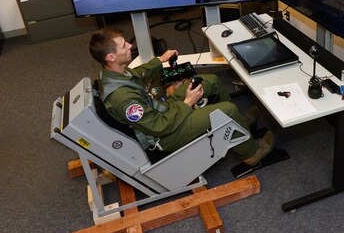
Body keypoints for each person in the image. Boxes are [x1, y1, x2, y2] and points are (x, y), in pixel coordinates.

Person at [88, 27, 274, 166]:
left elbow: (139, 74)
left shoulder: (115, 72)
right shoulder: (122, 98)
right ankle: (251, 153)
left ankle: (238, 124)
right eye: (123, 46)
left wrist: (160, 60)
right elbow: (160, 127)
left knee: (211, 81)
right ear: (111, 57)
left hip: (161, 111)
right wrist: (187, 102)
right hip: (164, 135)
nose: (130, 45)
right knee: (227, 110)